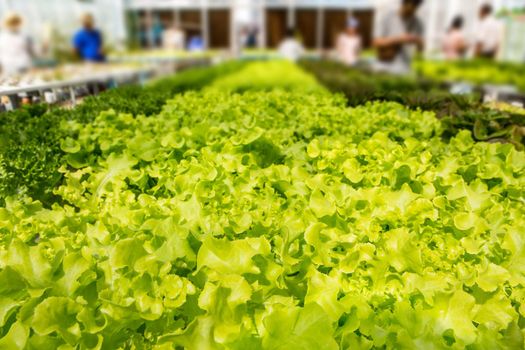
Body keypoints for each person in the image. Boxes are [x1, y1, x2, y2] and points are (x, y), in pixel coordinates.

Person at [373, 0, 425, 74]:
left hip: (405, 69)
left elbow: (419, 51)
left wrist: (419, 43)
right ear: (403, 3)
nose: (412, 10)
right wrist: (399, 39)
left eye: (416, 6)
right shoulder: (388, 17)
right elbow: (376, 42)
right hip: (384, 68)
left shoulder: (418, 23)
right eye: (410, 5)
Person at [0, 13, 33, 77]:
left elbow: (32, 51)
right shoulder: (2, 37)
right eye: (12, 22)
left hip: (22, 65)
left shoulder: (25, 36)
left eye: (15, 22)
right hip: (7, 66)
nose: (14, 25)